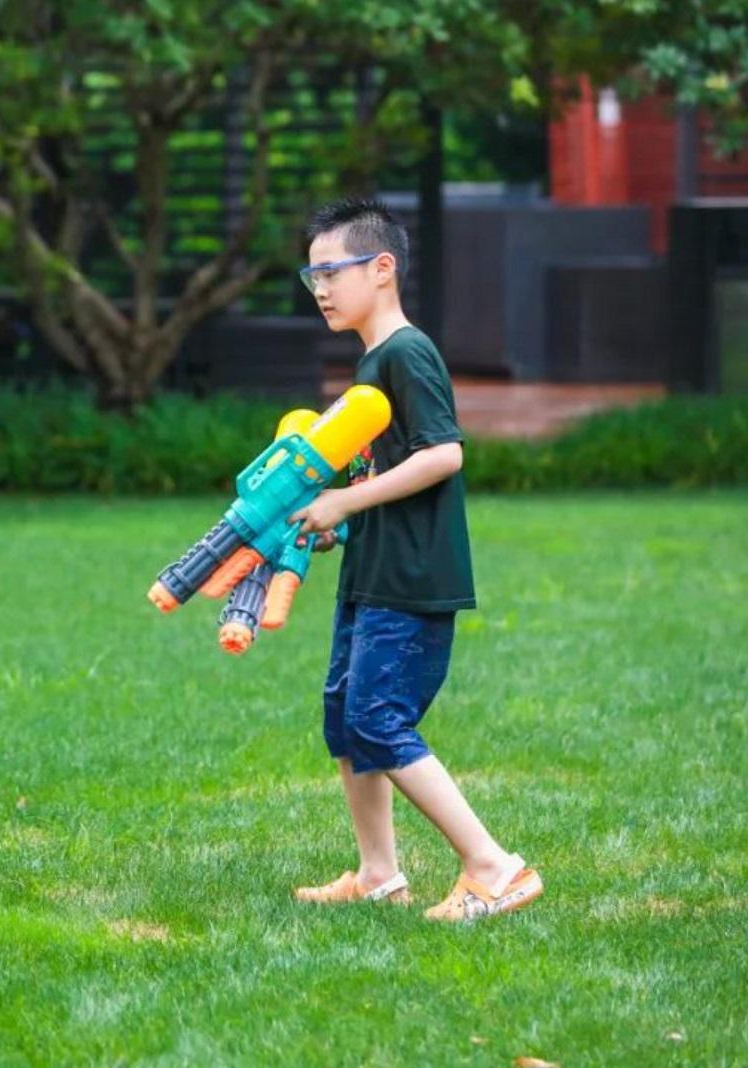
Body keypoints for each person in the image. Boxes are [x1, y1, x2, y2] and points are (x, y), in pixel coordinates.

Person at [289, 198, 542, 921]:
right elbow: (388, 471)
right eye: (312, 279)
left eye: (331, 272)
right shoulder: (374, 360)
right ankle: (378, 874)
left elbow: (444, 453)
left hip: (411, 580)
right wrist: (339, 514)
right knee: (345, 717)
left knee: (378, 719)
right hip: (373, 572)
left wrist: (345, 503)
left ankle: (496, 868)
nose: (323, 291)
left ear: (383, 267)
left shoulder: (405, 352)